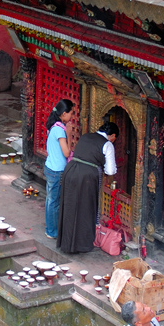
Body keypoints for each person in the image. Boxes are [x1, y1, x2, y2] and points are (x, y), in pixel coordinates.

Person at [57, 121, 118, 254]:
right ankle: (80, 245)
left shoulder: (86, 136)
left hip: (70, 170)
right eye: (114, 138)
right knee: (84, 210)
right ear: (112, 135)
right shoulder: (107, 144)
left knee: (69, 207)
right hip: (86, 177)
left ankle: (66, 242)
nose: (113, 141)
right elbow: (110, 170)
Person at [44, 99, 75, 240]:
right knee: (54, 201)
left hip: (50, 166)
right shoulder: (60, 130)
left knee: (50, 199)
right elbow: (67, 153)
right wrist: (69, 134)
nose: (71, 117)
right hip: (56, 170)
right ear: (63, 114)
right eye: (70, 113)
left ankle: (51, 228)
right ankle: (52, 231)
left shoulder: (53, 126)